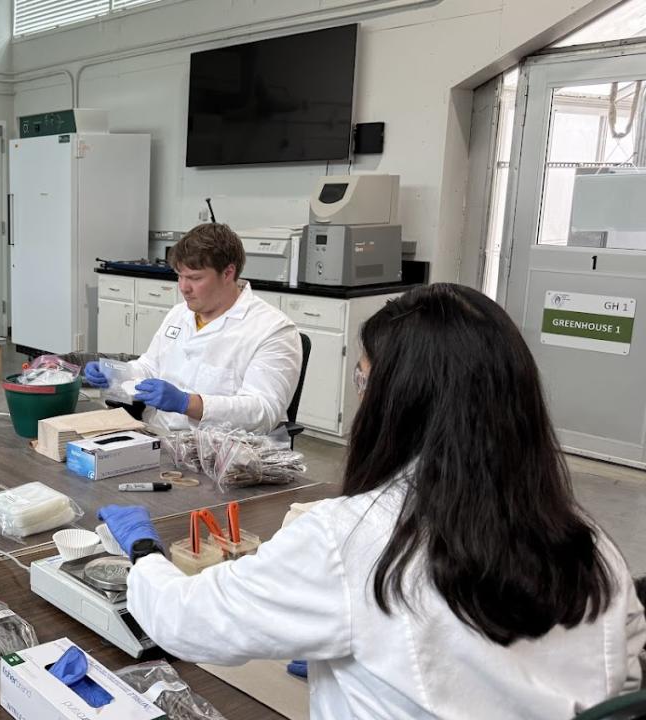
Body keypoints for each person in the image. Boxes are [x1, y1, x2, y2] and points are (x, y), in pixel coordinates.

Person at [98, 283, 645, 718]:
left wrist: (144, 551)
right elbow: (624, 683)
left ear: (396, 402)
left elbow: (187, 620)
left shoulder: (354, 538)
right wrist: (379, 660)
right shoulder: (593, 546)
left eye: (362, 382)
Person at [84, 223, 301, 434]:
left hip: (225, 451)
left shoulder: (272, 330)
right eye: (179, 276)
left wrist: (189, 403)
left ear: (228, 273)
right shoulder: (180, 314)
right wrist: (116, 373)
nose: (183, 288)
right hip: (159, 434)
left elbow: (264, 412)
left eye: (195, 278)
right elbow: (151, 366)